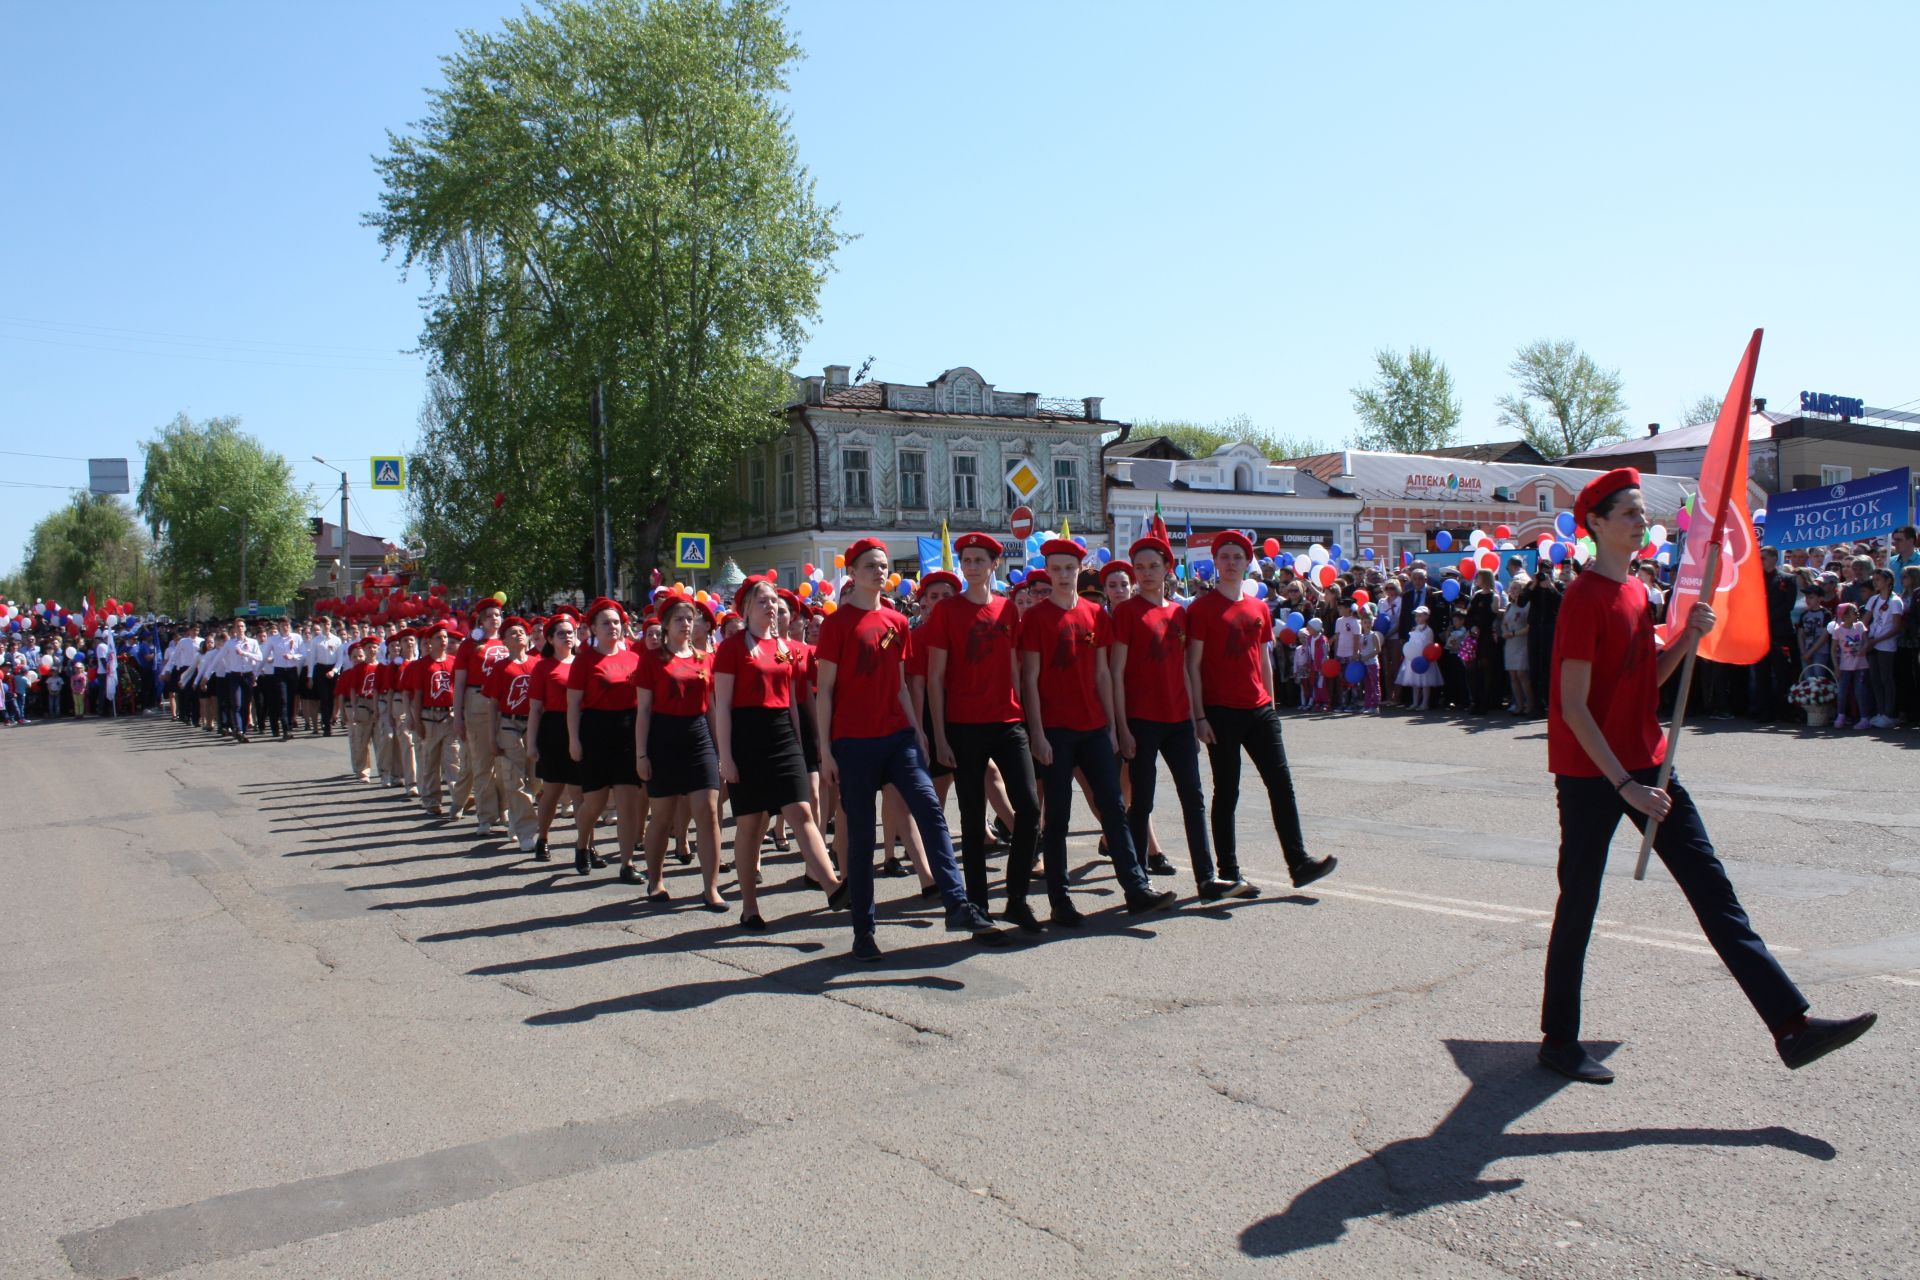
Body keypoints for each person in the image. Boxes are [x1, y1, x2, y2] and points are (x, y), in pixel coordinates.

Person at [1537, 467, 1874, 1083]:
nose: (1644, 522)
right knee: (1579, 902)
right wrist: (1622, 785)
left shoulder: (1639, 590)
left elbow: (1648, 683)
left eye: (1643, 513)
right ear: (1596, 524)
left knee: (1714, 893)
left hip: (1650, 761)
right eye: (1631, 514)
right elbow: (1574, 705)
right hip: (1592, 775)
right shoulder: (1584, 597)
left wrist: (1685, 641)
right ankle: (1558, 1040)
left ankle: (1791, 1027)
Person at [814, 538, 999, 961]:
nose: (879, 571)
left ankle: (956, 903)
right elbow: (824, 691)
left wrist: (918, 730)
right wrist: (825, 751)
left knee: (931, 812)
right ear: (853, 572)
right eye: (870, 566)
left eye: (882, 566)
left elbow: (899, 685)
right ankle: (864, 930)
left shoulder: (898, 621)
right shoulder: (837, 624)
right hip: (853, 742)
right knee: (861, 838)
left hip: (898, 737)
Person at [1020, 537, 1176, 922]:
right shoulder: (1036, 618)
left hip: (1094, 729)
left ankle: (1136, 888)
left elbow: (1104, 674)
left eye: (1068, 569)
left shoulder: (1096, 615)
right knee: (1057, 819)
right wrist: (1036, 734)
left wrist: (1112, 727)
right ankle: (1060, 901)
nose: (1061, 576)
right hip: (1054, 731)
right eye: (1055, 569)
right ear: (1047, 571)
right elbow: (1030, 679)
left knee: (1114, 810)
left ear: (1079, 571)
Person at [1185, 531, 1336, 892]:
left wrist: (1270, 704)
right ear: (1216, 562)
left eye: (1238, 557)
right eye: (1225, 557)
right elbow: (1192, 665)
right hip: (1220, 712)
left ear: (1247, 562)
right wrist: (1199, 717)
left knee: (1282, 786)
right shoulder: (1202, 608)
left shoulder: (1257, 608)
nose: (1232, 563)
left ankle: (1299, 863)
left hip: (1259, 711)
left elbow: (1265, 659)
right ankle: (1228, 870)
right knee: (1228, 791)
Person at [925, 533, 1044, 930]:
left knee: (1028, 809)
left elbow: (1014, 668)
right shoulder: (947, 612)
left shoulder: (1008, 609)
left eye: (979, 559)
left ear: (995, 564)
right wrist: (940, 737)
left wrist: (1026, 721)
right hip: (963, 726)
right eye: (966, 559)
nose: (972, 565)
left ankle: (1015, 897)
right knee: (973, 821)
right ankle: (977, 906)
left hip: (1008, 723)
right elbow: (936, 678)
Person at [1112, 533, 1237, 899]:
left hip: (1179, 720)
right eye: (1140, 567)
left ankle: (1206, 878)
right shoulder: (1126, 613)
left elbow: (1186, 668)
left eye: (1154, 566)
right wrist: (1121, 728)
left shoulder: (1180, 613)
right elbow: (1116, 673)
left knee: (1193, 799)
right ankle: (1138, 884)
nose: (1146, 573)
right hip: (1141, 721)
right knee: (1142, 801)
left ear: (1168, 568)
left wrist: (1196, 716)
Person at [713, 578, 845, 924]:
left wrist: (804, 745)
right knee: (752, 825)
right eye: (762, 601)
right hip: (746, 736)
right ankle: (750, 907)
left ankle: (833, 886)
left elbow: (791, 700)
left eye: (773, 601)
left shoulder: (787, 648)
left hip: (783, 736)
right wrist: (725, 757)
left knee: (802, 811)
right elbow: (722, 706)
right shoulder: (731, 649)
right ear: (745, 609)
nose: (770, 607)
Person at [634, 594, 733, 907]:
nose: (687, 625)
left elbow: (713, 708)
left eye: (690, 619)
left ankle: (711, 887)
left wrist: (722, 752)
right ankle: (656, 879)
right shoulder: (652, 659)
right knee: (662, 817)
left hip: (699, 737)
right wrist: (641, 754)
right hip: (663, 739)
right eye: (679, 619)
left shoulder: (706, 659)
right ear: (665, 624)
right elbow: (644, 711)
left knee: (708, 813)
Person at [566, 598, 642, 875]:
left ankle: (627, 863)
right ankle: (582, 843)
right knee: (595, 802)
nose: (613, 627)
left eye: (616, 622)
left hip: (628, 731)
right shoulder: (584, 660)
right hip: (595, 731)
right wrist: (574, 739)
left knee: (628, 804)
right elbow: (573, 704)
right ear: (593, 629)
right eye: (606, 623)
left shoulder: (633, 657)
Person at [483, 616, 543, 852]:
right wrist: (492, 736)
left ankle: (517, 820)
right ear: (504, 641)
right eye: (512, 633)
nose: (518, 635)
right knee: (516, 781)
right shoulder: (500, 667)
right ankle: (527, 831)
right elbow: (493, 705)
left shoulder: (536, 664)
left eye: (521, 632)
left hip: (533, 725)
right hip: (509, 725)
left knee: (537, 780)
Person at [526, 610, 581, 861]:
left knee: (581, 791)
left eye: (570, 633)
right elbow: (536, 709)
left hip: (581, 729)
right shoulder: (543, 667)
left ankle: (585, 844)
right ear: (550, 639)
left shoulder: (582, 663)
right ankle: (543, 838)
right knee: (553, 790)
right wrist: (532, 743)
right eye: (561, 634)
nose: (567, 637)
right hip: (554, 729)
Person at [452, 600, 510, 836]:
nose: (494, 619)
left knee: (505, 761)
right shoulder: (469, 645)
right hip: (477, 701)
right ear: (480, 620)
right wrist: (458, 717)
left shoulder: (509, 641)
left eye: (497, 615)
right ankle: (485, 815)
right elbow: (459, 684)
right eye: (488, 616)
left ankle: (504, 808)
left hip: (505, 703)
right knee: (482, 761)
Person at [404, 623, 459, 816]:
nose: (443, 641)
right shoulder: (421, 666)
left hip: (449, 715)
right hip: (429, 717)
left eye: (445, 638)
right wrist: (417, 721)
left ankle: (459, 799)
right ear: (429, 642)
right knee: (430, 761)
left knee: (453, 759)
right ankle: (431, 800)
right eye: (439, 638)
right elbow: (416, 695)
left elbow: (459, 692)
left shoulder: (454, 662)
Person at [1862, 568, 1905, 730]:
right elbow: (1864, 622)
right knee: (1875, 678)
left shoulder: (1895, 601)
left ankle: (1888, 714)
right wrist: (1867, 640)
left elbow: (1896, 627)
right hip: (1872, 642)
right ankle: (1880, 712)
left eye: (1878, 579)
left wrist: (1876, 640)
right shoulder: (1873, 599)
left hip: (1886, 645)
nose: (1875, 582)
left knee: (1886, 678)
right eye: (1874, 579)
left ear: (1888, 581)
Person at [1828, 603, 1871, 729]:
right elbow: (1833, 650)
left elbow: (1866, 641)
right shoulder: (1838, 631)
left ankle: (1864, 718)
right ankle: (1841, 715)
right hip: (1845, 666)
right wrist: (1836, 666)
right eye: (1854, 612)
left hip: (1861, 664)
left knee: (1860, 690)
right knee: (1842, 691)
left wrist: (1863, 649)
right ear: (1845, 615)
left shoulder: (1860, 626)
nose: (1857, 614)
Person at [261, 617, 303, 740]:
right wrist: (256, 671)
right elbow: (264, 657)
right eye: (283, 625)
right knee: (283, 699)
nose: (286, 627)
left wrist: (293, 656)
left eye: (287, 625)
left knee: (291, 699)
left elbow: (303, 653)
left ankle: (289, 725)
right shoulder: (273, 639)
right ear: (279, 626)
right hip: (279, 672)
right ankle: (285, 728)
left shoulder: (296, 637)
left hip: (292, 670)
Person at [1502, 575, 1534, 715]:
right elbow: (1504, 623)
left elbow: (1529, 626)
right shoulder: (1509, 606)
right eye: (1512, 589)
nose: (1513, 591)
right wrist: (1505, 632)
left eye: (1516, 588)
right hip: (1510, 643)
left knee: (1522, 674)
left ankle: (1530, 703)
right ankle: (1519, 704)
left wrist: (1514, 633)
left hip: (1522, 642)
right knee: (1513, 675)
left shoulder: (1526, 605)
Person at [307, 616, 342, 736]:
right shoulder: (316, 641)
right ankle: (326, 725)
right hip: (321, 669)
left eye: (327, 624)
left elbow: (340, 659)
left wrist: (334, 671)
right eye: (323, 625)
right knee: (324, 698)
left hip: (332, 669)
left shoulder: (337, 640)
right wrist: (310, 676)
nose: (326, 627)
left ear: (330, 625)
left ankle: (329, 719)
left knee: (332, 698)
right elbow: (312, 660)